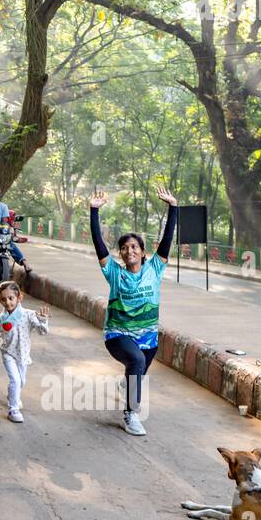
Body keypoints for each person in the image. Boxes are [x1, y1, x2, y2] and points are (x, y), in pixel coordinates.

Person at [87, 185, 178, 436]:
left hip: (148, 337)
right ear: (121, 254)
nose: (130, 251)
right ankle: (131, 414)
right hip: (118, 335)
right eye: (125, 248)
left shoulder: (155, 269)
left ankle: (126, 387)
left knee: (137, 372)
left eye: (135, 247)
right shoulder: (114, 273)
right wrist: (94, 212)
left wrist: (173, 207)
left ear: (143, 251)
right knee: (136, 361)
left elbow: (168, 239)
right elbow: (98, 244)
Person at [0, 281, 49, 422]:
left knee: (21, 382)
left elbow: (42, 332)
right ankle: (13, 409)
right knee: (16, 381)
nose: (8, 302)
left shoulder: (29, 315)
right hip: (8, 353)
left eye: (11, 298)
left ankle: (13, 396)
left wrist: (43, 319)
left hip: (23, 354)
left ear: (19, 298)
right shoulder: (2, 319)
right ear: (0, 300)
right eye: (3, 299)